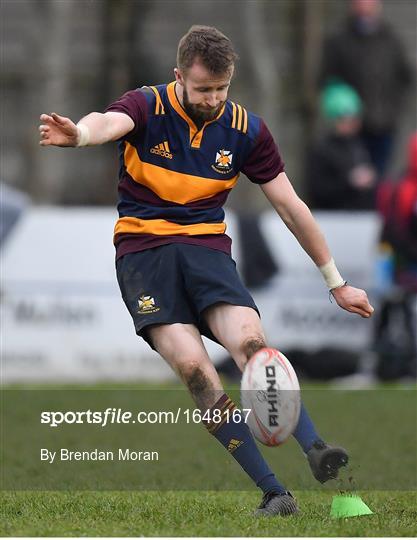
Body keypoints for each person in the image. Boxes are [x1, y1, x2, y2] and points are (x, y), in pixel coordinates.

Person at [39, 25, 374, 517]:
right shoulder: (146, 105)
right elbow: (107, 122)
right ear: (179, 77)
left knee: (255, 350)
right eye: (203, 90)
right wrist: (82, 135)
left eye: (222, 89)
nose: (214, 99)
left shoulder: (246, 130)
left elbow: (291, 208)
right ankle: (273, 492)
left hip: (206, 252)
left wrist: (336, 282)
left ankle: (321, 454)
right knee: (197, 372)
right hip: (144, 255)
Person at [320, 0, 413, 178]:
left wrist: (393, 111)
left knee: (380, 180)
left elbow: (405, 79)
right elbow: (328, 81)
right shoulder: (339, 40)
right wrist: (342, 114)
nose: (364, 5)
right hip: (351, 130)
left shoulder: (391, 40)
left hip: (384, 127)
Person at [307, 82, 377, 210]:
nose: (353, 124)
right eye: (346, 119)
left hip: (358, 215)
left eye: (355, 119)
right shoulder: (322, 150)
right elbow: (317, 190)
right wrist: (349, 182)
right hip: (332, 217)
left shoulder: (358, 146)